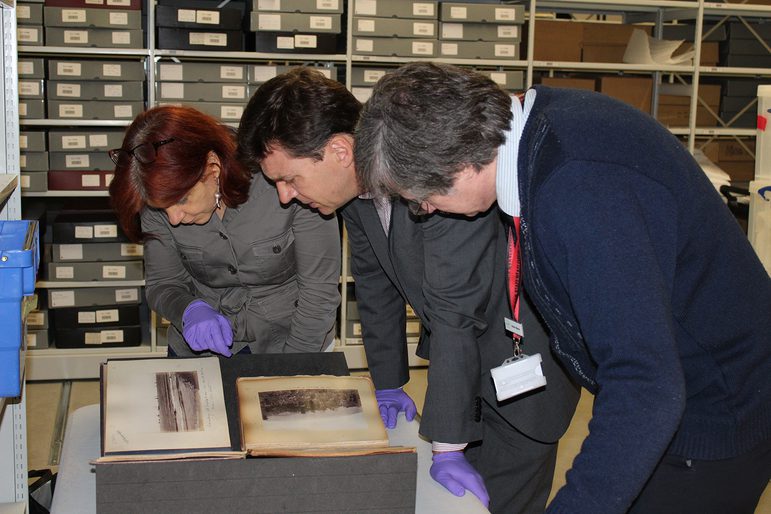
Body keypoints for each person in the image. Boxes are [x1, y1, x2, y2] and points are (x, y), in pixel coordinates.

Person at [354, 62, 771, 514]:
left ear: (458, 163)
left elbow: (644, 383)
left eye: (421, 199)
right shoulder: (540, 130)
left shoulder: (576, 185)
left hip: (717, 410)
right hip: (681, 393)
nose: (424, 209)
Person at [237, 67, 579, 513]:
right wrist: (388, 382)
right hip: (458, 372)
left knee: (495, 506)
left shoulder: (429, 174)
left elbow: (454, 312)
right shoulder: (350, 198)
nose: (285, 197)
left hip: (520, 375)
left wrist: (448, 448)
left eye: (289, 179)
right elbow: (376, 286)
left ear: (340, 151)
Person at [108, 105, 341, 357]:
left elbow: (319, 293)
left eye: (183, 200)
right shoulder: (158, 192)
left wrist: (291, 370)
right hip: (203, 346)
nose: (173, 219)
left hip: (292, 340)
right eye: (163, 210)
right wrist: (189, 309)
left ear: (213, 167)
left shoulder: (283, 181)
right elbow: (163, 284)